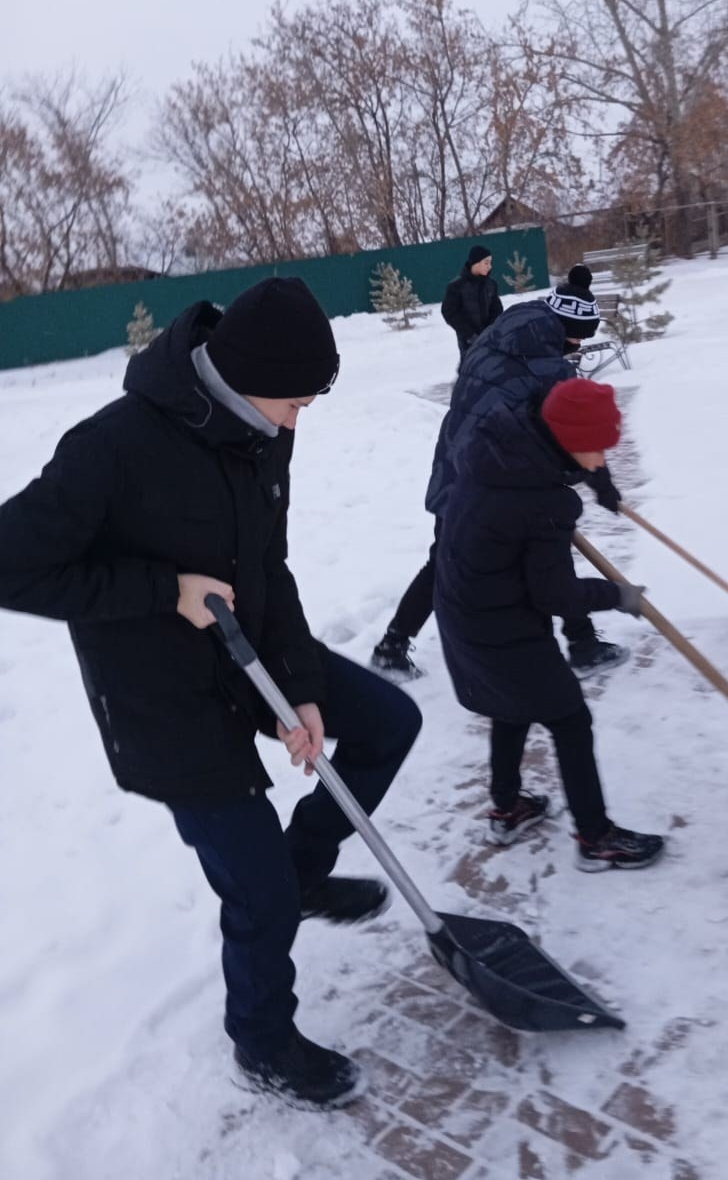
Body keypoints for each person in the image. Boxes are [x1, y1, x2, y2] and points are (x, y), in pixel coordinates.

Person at [0, 277, 422, 1111]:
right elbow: (11, 564)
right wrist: (165, 591)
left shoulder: (265, 430)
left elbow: (269, 564)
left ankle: (303, 870)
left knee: (387, 722)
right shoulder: (111, 448)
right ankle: (262, 1040)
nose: (300, 419)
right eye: (295, 399)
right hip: (161, 702)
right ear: (241, 377)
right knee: (252, 891)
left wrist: (298, 692)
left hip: (250, 650)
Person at [434, 376, 665, 870]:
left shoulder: (503, 450)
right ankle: (595, 837)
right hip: (502, 625)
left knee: (510, 708)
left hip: (462, 607)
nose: (604, 458)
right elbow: (557, 594)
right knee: (570, 719)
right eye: (599, 449)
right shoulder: (542, 502)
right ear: (570, 442)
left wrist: (597, 485)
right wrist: (620, 596)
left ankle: (507, 806)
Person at [370, 265, 626, 680]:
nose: (577, 345)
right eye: (579, 335)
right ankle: (582, 645)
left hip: (456, 457)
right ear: (567, 327)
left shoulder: (503, 330)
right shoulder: (551, 370)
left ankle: (392, 646)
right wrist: (601, 481)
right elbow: (576, 436)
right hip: (496, 474)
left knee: (450, 556)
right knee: (546, 550)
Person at [441, 243, 504, 361]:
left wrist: (490, 331)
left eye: (490, 262)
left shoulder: (491, 285)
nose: (490, 266)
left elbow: (497, 310)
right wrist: (470, 335)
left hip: (491, 340)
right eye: (486, 262)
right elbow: (449, 313)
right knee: (471, 371)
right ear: (476, 262)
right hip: (468, 343)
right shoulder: (456, 286)